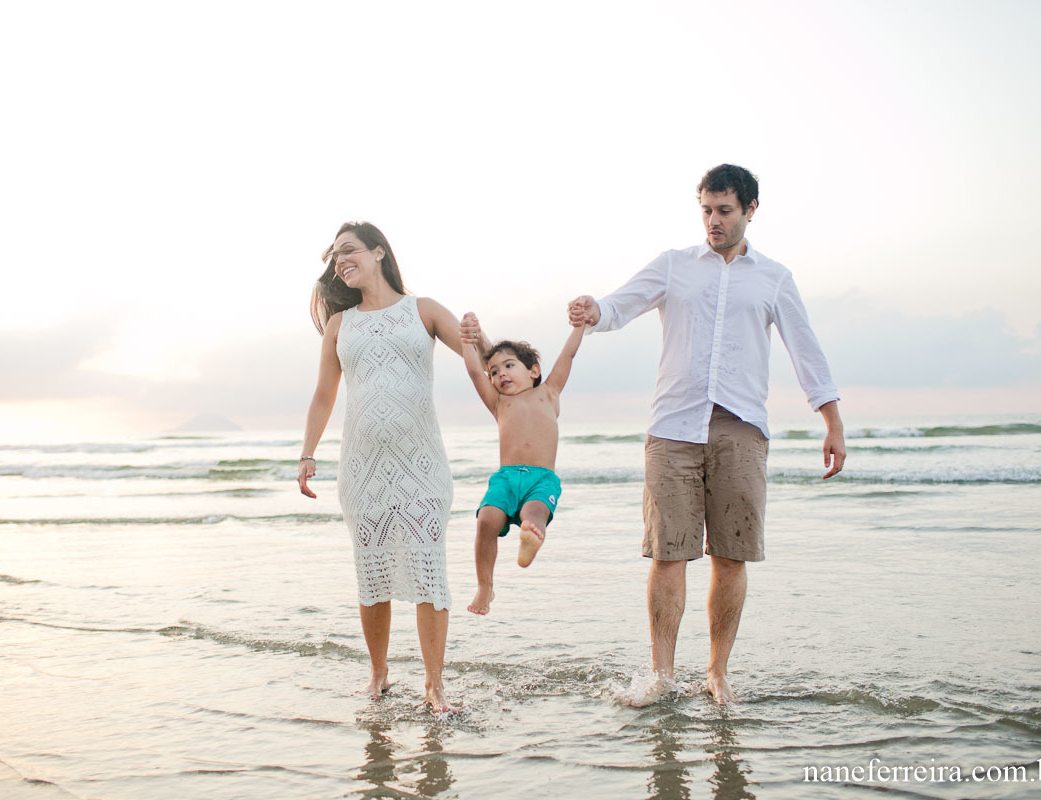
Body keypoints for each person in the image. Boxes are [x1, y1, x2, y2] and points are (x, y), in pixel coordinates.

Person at [568, 164, 846, 706]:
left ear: (750, 210)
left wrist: (832, 421)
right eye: (706, 210)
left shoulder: (774, 278)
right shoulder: (674, 266)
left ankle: (717, 673)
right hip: (673, 426)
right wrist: (592, 309)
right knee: (667, 553)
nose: (713, 221)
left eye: (724, 210)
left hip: (740, 428)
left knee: (731, 555)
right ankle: (663, 676)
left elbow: (805, 349)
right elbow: (619, 306)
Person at [298, 221, 464, 712]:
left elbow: (480, 353)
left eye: (347, 250)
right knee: (372, 573)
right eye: (334, 256)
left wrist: (522, 400)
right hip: (363, 468)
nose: (339, 261)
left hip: (423, 464)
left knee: (428, 568)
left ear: (378, 252)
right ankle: (379, 674)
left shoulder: (424, 310)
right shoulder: (339, 326)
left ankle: (434, 684)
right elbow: (324, 394)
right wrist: (308, 454)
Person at [458, 313, 588, 615]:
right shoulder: (499, 402)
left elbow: (567, 355)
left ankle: (531, 536)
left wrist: (579, 327)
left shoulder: (549, 392)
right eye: (495, 371)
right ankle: (485, 586)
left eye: (508, 366)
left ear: (533, 371)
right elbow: (475, 374)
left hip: (541, 479)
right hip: (505, 479)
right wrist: (467, 343)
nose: (500, 374)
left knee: (534, 512)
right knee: (486, 520)